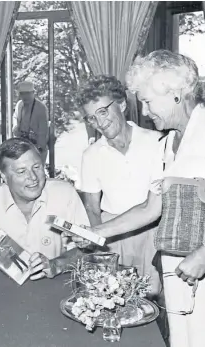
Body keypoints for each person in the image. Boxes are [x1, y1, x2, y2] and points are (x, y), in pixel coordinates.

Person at [76, 50, 205, 347]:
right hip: (179, 272)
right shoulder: (166, 144)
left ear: (175, 93)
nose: (144, 109)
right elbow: (150, 208)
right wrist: (95, 231)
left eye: (148, 100)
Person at [0, 137, 90, 280]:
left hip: (51, 287)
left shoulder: (65, 194)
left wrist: (56, 265)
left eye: (37, 167)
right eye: (21, 172)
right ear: (4, 176)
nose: (32, 177)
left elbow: (89, 248)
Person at [77, 74, 161, 295]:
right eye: (91, 118)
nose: (100, 123)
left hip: (152, 231)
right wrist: (97, 242)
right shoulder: (90, 154)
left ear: (122, 104)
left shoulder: (157, 141)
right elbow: (92, 208)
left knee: (152, 296)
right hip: (113, 236)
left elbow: (156, 204)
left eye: (103, 112)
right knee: (114, 297)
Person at [12, 80, 49, 163]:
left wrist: (39, 149)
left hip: (37, 148)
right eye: (22, 94)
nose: (25, 96)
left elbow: (43, 132)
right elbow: (15, 117)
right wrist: (15, 128)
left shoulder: (41, 108)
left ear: (33, 93)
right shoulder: (19, 105)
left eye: (28, 93)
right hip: (22, 146)